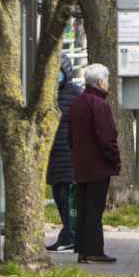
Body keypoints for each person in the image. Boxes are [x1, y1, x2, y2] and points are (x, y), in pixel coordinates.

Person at [68, 62, 120, 264]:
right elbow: (107, 138)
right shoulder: (100, 105)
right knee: (95, 209)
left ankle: (81, 249)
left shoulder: (77, 103)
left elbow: (70, 137)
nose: (108, 83)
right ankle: (94, 251)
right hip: (98, 166)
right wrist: (115, 160)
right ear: (100, 82)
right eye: (107, 80)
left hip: (81, 165)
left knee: (83, 207)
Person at [45, 54, 81, 252]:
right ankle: (67, 233)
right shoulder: (47, 94)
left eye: (60, 72)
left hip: (69, 153)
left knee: (66, 195)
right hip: (53, 155)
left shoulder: (76, 93)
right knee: (58, 194)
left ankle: (70, 233)